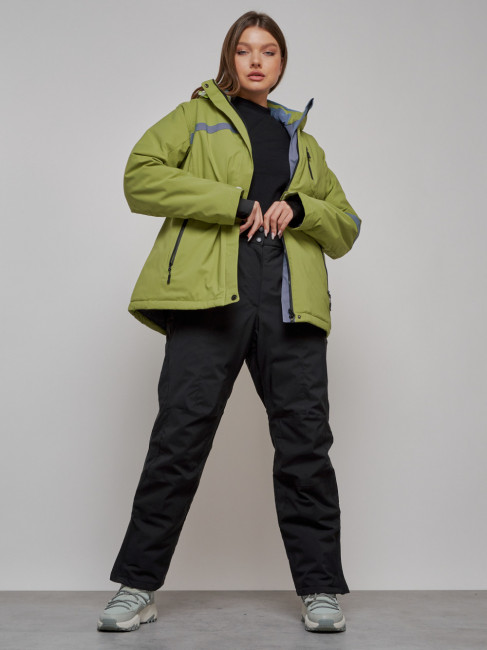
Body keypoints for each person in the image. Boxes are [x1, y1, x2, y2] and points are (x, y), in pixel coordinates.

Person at [97, 10, 361, 635]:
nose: (256, 61)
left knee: (305, 444)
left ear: (281, 62)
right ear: (229, 58)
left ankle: (320, 589)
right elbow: (140, 177)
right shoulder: (195, 117)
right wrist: (231, 203)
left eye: (268, 51)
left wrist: (302, 208)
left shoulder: (302, 139)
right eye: (245, 50)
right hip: (209, 291)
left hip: (290, 295)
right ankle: (137, 587)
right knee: (179, 437)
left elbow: (347, 225)